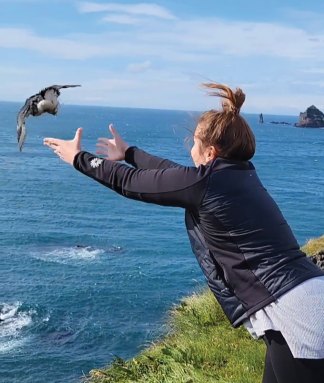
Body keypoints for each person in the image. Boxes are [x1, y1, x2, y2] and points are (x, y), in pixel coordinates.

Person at [44, 82, 324, 383]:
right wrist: (129, 152)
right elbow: (168, 174)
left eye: (194, 142)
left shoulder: (209, 184)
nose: (190, 148)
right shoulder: (235, 175)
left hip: (296, 311)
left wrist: (79, 158)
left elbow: (132, 182)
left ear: (210, 151)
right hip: (304, 298)